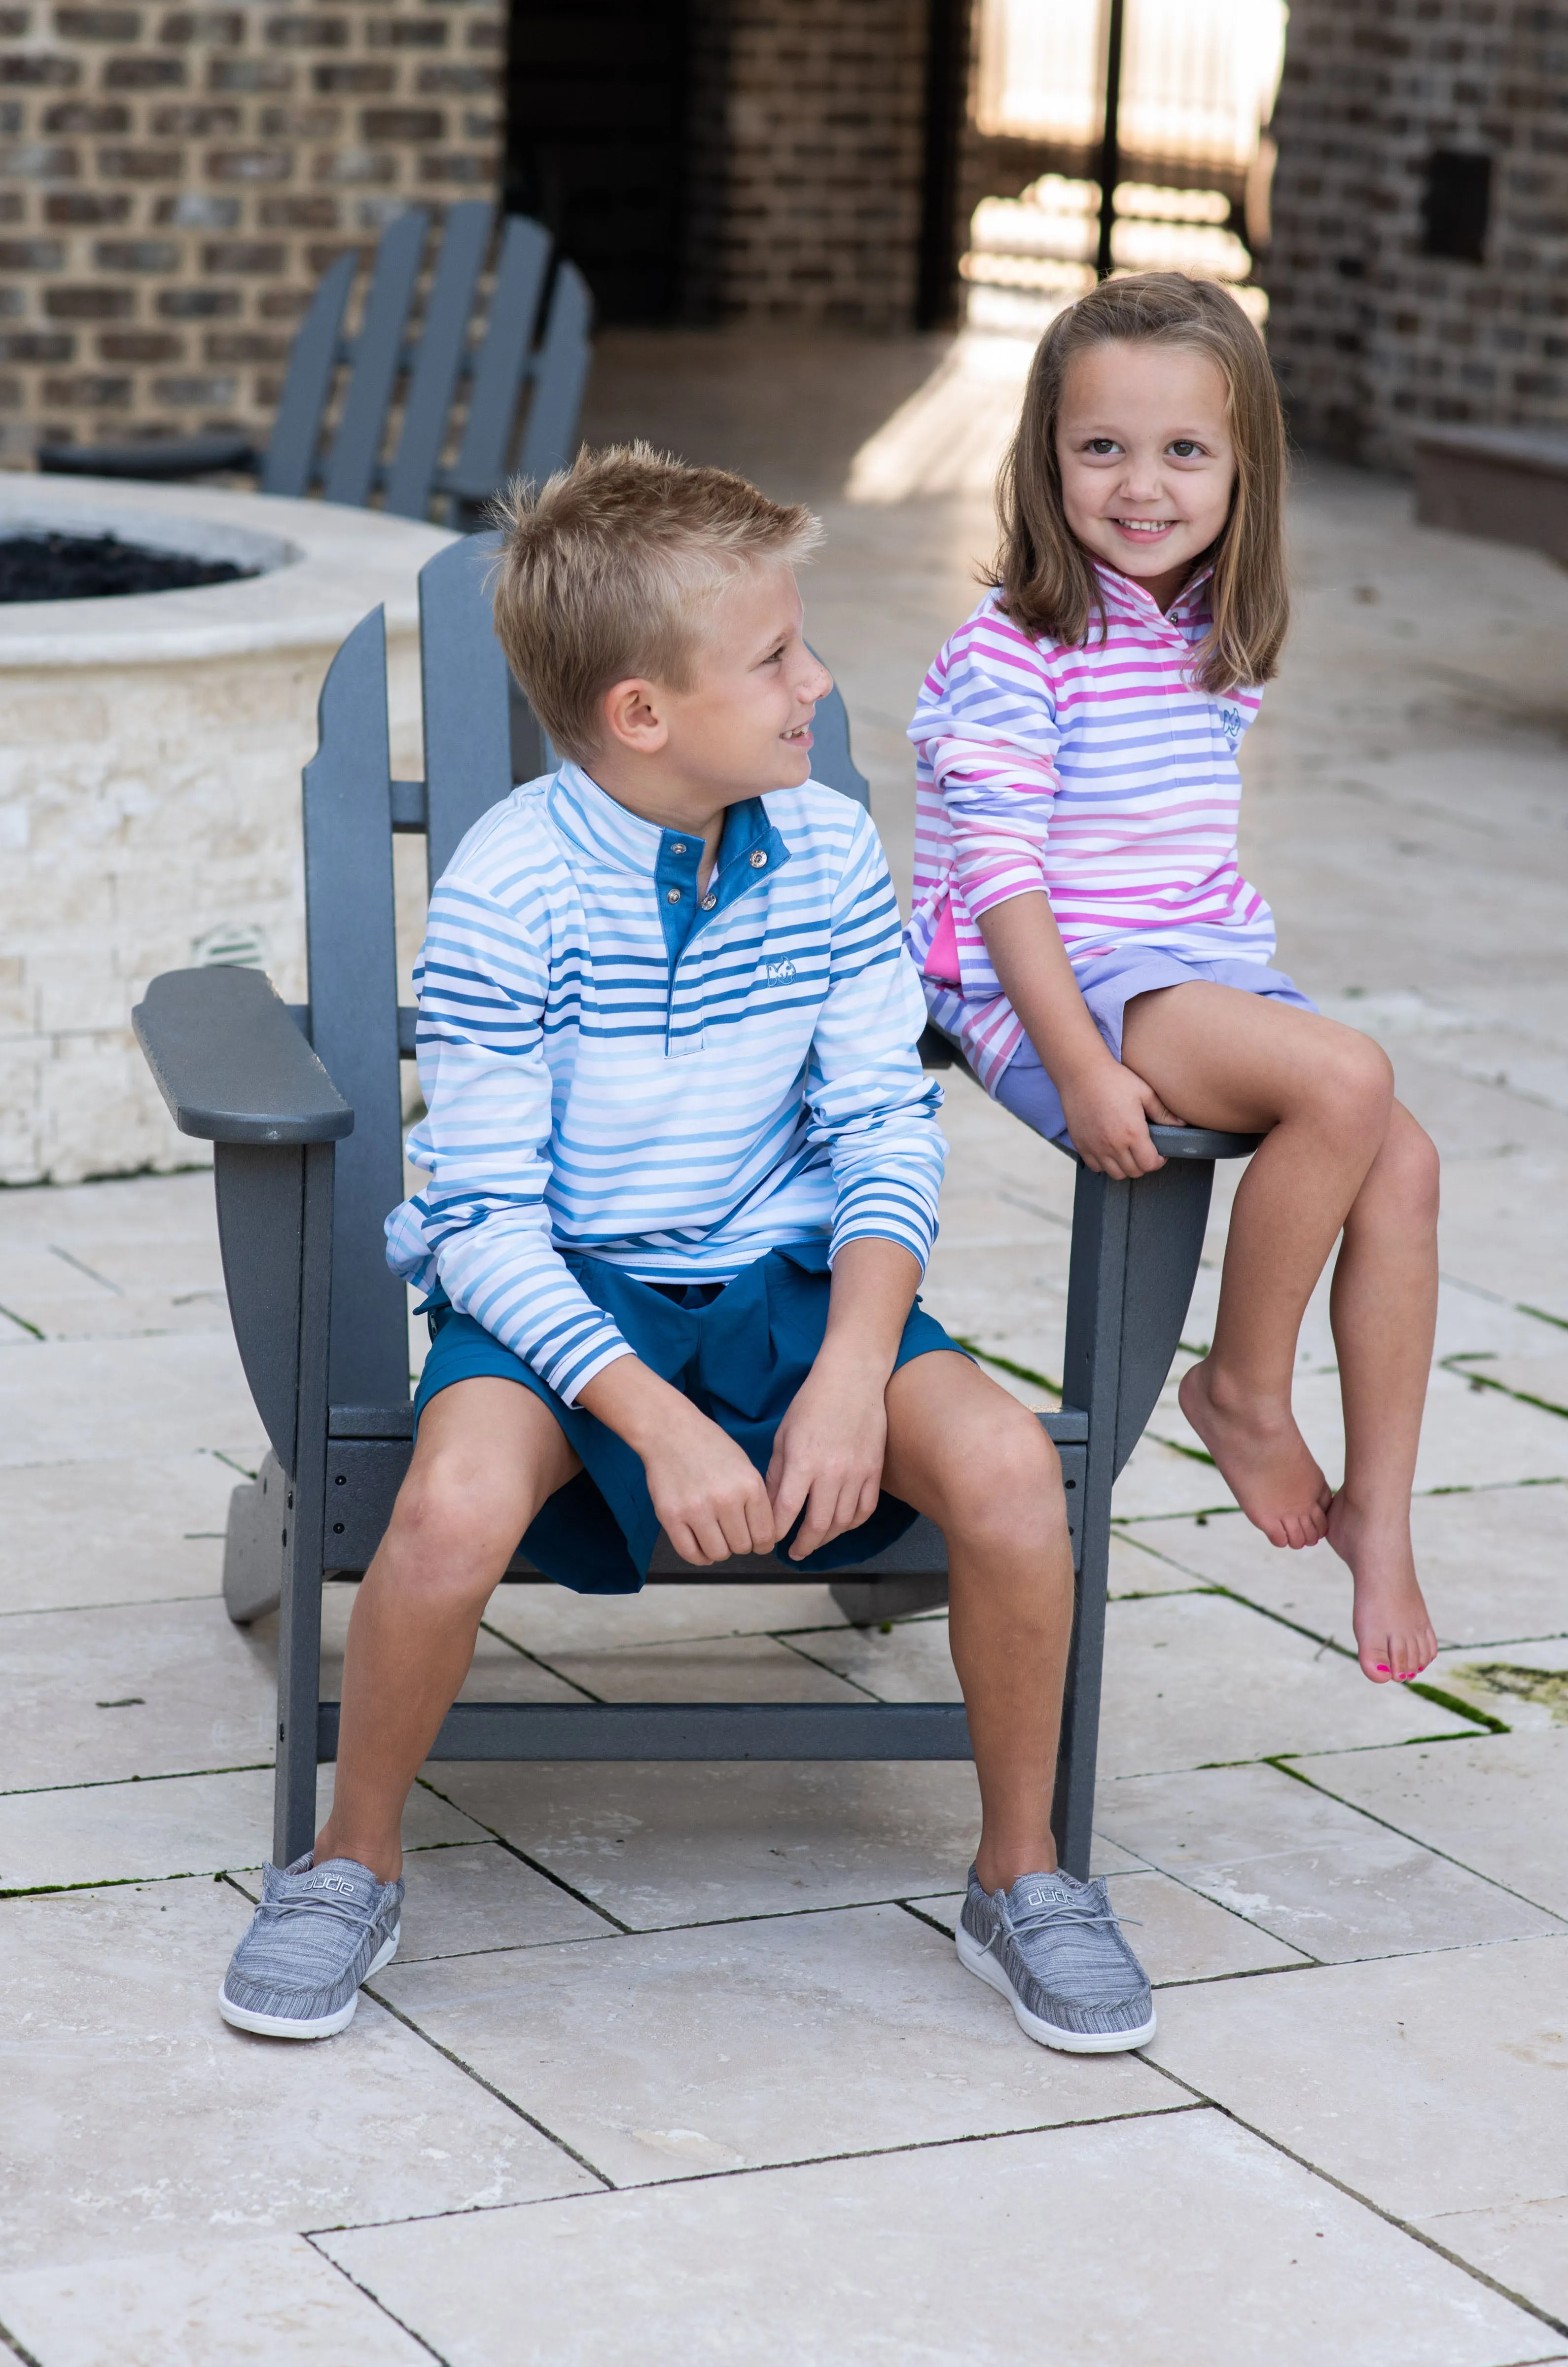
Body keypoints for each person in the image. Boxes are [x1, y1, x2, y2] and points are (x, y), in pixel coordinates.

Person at [216, 444, 1156, 2053]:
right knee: (444, 1514)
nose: (817, 681)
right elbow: (483, 1219)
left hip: (790, 1285)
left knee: (1007, 1474)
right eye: (777, 657)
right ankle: (346, 1859)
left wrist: (856, 1372)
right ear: (643, 715)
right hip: (558, 1290)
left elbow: (879, 1133)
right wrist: (645, 1415)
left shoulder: (831, 853)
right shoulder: (512, 886)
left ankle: (1022, 1873)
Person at [909, 273, 1440, 1693]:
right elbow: (1001, 877)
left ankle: (1378, 1513)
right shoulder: (1013, 650)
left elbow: (1170, 863)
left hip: (1184, 959)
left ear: (1240, 470)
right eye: (1101, 448)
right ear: (1043, 458)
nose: (1140, 485)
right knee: (1344, 1080)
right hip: (1045, 983)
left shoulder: (1204, 630)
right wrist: (1079, 1063)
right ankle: (1241, 1391)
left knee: (1401, 1161)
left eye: (1183, 452)